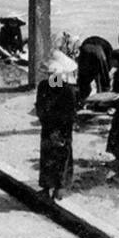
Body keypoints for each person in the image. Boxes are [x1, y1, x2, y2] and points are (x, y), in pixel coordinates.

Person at [35, 50, 79, 201]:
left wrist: (60, 132)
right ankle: (46, 187)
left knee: (62, 157)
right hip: (47, 127)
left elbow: (70, 114)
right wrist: (45, 121)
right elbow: (39, 107)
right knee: (46, 157)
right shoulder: (43, 87)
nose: (52, 78)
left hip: (62, 130)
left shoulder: (68, 91)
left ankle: (60, 187)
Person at [75, 35, 114, 99]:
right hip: (98, 50)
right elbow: (104, 76)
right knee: (104, 84)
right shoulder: (108, 55)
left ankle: (81, 100)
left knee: (83, 82)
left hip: (86, 48)